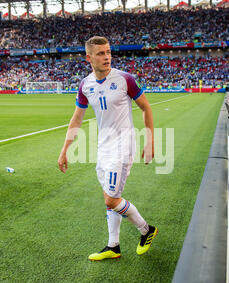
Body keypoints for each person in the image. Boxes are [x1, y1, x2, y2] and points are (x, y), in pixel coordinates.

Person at [57, 36, 158, 261]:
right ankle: (114, 246)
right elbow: (76, 119)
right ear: (89, 57)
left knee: (111, 200)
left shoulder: (125, 79)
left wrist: (150, 141)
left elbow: (146, 108)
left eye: (109, 52)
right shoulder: (85, 85)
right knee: (110, 195)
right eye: (101, 53)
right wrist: (64, 150)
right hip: (103, 147)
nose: (107, 57)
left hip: (123, 146)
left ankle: (146, 230)